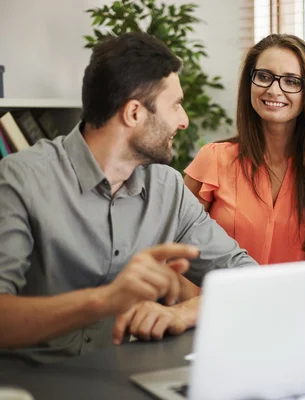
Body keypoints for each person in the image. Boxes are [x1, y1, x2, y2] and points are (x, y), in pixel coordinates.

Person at [0, 32, 257, 364]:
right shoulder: (21, 179)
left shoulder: (168, 188)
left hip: (123, 377)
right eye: (175, 105)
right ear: (134, 113)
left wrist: (185, 313)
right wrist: (105, 301)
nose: (184, 121)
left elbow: (247, 277)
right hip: (30, 383)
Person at [184, 34, 305, 265]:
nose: (274, 90)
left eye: (291, 81)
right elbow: (177, 247)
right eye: (264, 77)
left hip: (291, 298)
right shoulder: (214, 158)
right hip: (219, 298)